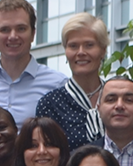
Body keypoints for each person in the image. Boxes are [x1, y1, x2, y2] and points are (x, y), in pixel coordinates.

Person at [0, 0, 65, 124]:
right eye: (5, 30)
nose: (13, 36)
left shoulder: (58, 84)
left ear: (33, 34)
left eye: (21, 28)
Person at [35, 13, 107, 150]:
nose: (81, 52)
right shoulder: (50, 104)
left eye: (89, 45)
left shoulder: (119, 99)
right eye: (73, 46)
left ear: (103, 50)